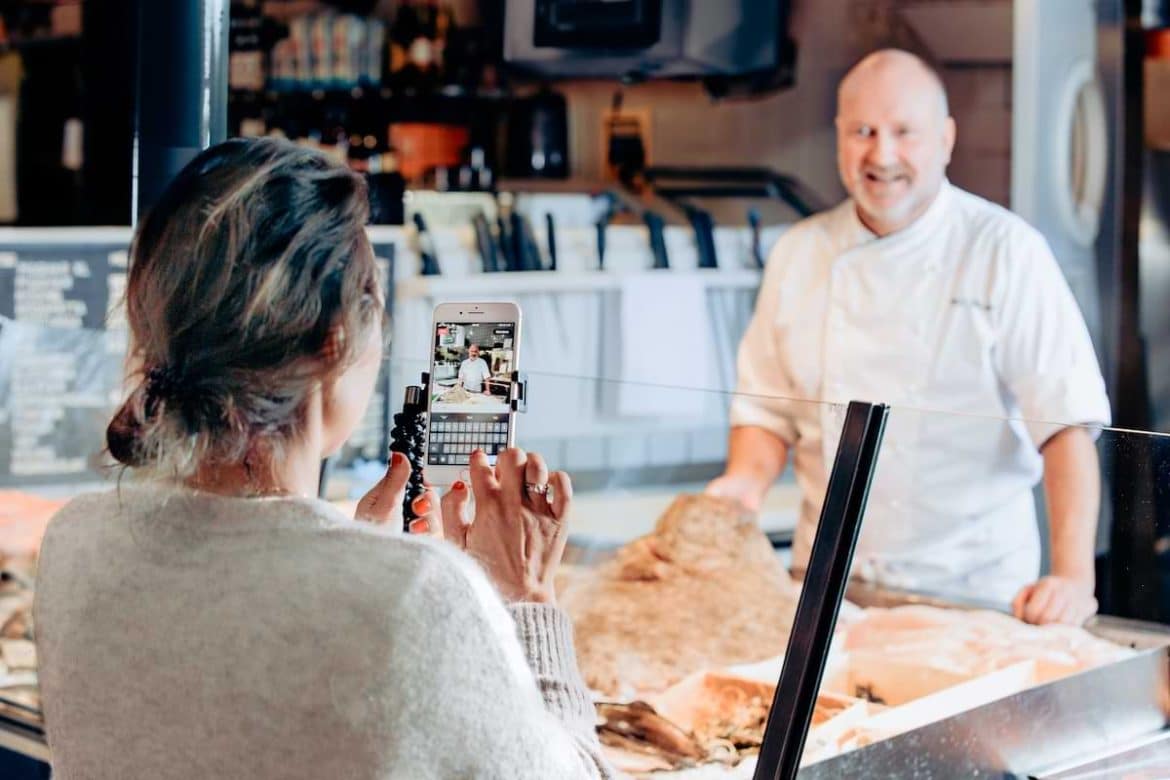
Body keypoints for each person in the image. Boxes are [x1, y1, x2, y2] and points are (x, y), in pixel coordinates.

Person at [33, 138, 615, 779]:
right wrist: (525, 596)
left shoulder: (76, 544)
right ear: (335, 341)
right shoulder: (417, 596)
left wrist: (355, 552)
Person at [708, 49, 1111, 626]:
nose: (883, 155)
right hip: (823, 591)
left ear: (945, 139)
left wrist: (1073, 577)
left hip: (974, 592)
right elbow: (767, 412)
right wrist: (742, 487)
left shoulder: (1004, 250)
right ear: (840, 138)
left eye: (904, 132)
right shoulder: (799, 253)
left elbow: (1065, 425)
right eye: (863, 132)